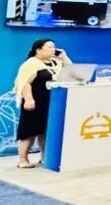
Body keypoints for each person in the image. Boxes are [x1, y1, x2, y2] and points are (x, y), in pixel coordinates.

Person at [13, 39, 70, 168]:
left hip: (50, 103)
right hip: (34, 103)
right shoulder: (31, 64)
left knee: (45, 132)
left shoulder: (55, 62)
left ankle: (45, 157)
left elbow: (72, 72)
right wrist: (29, 99)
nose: (53, 49)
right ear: (38, 50)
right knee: (29, 132)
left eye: (54, 47)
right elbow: (24, 83)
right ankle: (23, 159)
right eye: (49, 47)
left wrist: (64, 57)